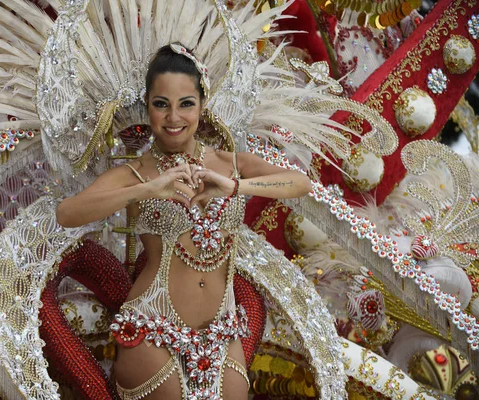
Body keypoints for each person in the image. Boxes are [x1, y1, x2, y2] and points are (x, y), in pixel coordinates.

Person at [56, 44, 312, 400]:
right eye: (161, 104)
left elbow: (299, 184)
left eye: (186, 104)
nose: (173, 117)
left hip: (222, 334)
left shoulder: (228, 162)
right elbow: (67, 213)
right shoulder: (137, 171)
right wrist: (146, 189)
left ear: (202, 106)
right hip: (153, 328)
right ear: (147, 107)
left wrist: (235, 186)